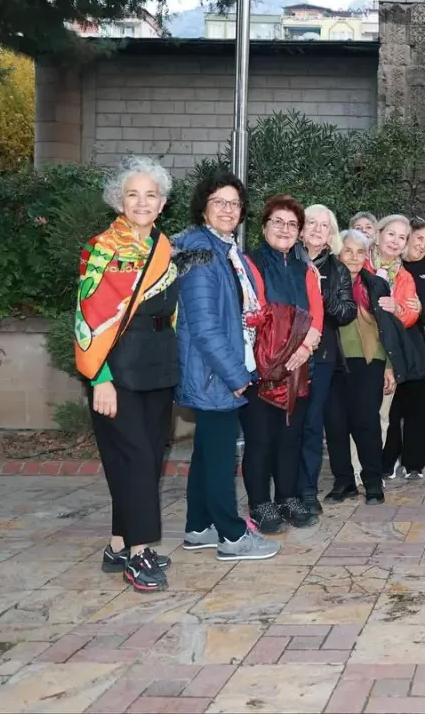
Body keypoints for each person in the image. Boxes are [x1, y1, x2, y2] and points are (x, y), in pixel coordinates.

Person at [74, 157, 179, 591]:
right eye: (133, 194)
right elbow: (87, 315)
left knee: (146, 458)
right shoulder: (102, 248)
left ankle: (118, 543)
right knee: (135, 457)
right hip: (116, 368)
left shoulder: (164, 247)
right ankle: (139, 555)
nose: (141, 202)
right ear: (120, 199)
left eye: (150, 195)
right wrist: (99, 379)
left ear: (162, 202)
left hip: (158, 364)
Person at [173, 170, 279, 561]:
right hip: (214, 370)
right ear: (203, 207)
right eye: (219, 202)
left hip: (223, 366)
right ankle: (232, 536)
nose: (227, 210)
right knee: (220, 457)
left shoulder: (223, 248)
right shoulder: (199, 254)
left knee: (207, 450)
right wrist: (236, 375)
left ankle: (198, 527)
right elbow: (203, 325)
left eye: (234, 203)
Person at [240, 195, 324, 534]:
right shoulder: (249, 263)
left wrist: (304, 350)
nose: (285, 229)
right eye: (278, 222)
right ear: (264, 227)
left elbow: (317, 315)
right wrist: (267, 360)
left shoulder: (307, 270)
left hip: (298, 370)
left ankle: (288, 498)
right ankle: (261, 503)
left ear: (300, 232)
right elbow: (248, 313)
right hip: (260, 370)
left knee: (291, 438)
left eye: (292, 225)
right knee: (261, 439)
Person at [325, 230, 395, 505]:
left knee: (366, 423)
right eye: (348, 251)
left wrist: (389, 367)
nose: (353, 258)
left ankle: (373, 482)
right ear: (338, 253)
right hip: (331, 360)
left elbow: (389, 330)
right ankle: (344, 482)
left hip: (369, 361)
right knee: (335, 424)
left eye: (359, 252)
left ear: (366, 256)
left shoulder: (376, 284)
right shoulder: (326, 283)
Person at [297, 205, 357, 515]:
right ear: (301, 228)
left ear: (331, 234)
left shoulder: (338, 270)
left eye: (325, 225)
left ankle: (307, 490)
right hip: (284, 355)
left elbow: (347, 313)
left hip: (320, 357)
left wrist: (322, 291)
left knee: (311, 424)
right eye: (312, 223)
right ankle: (285, 488)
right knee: (286, 424)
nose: (318, 229)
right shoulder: (286, 259)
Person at [383, 219, 425, 480]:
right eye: (418, 239)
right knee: (390, 408)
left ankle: (414, 463)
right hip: (391, 348)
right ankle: (387, 460)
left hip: (421, 348)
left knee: (419, 409)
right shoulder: (389, 267)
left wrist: (421, 310)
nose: (421, 246)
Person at [369, 214, 421, 478]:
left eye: (402, 237)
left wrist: (397, 308)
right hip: (360, 351)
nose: (395, 241)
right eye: (391, 234)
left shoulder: (405, 277)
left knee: (382, 417)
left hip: (389, 353)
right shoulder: (359, 263)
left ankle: (373, 471)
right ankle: (355, 471)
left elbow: (411, 315)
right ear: (378, 235)